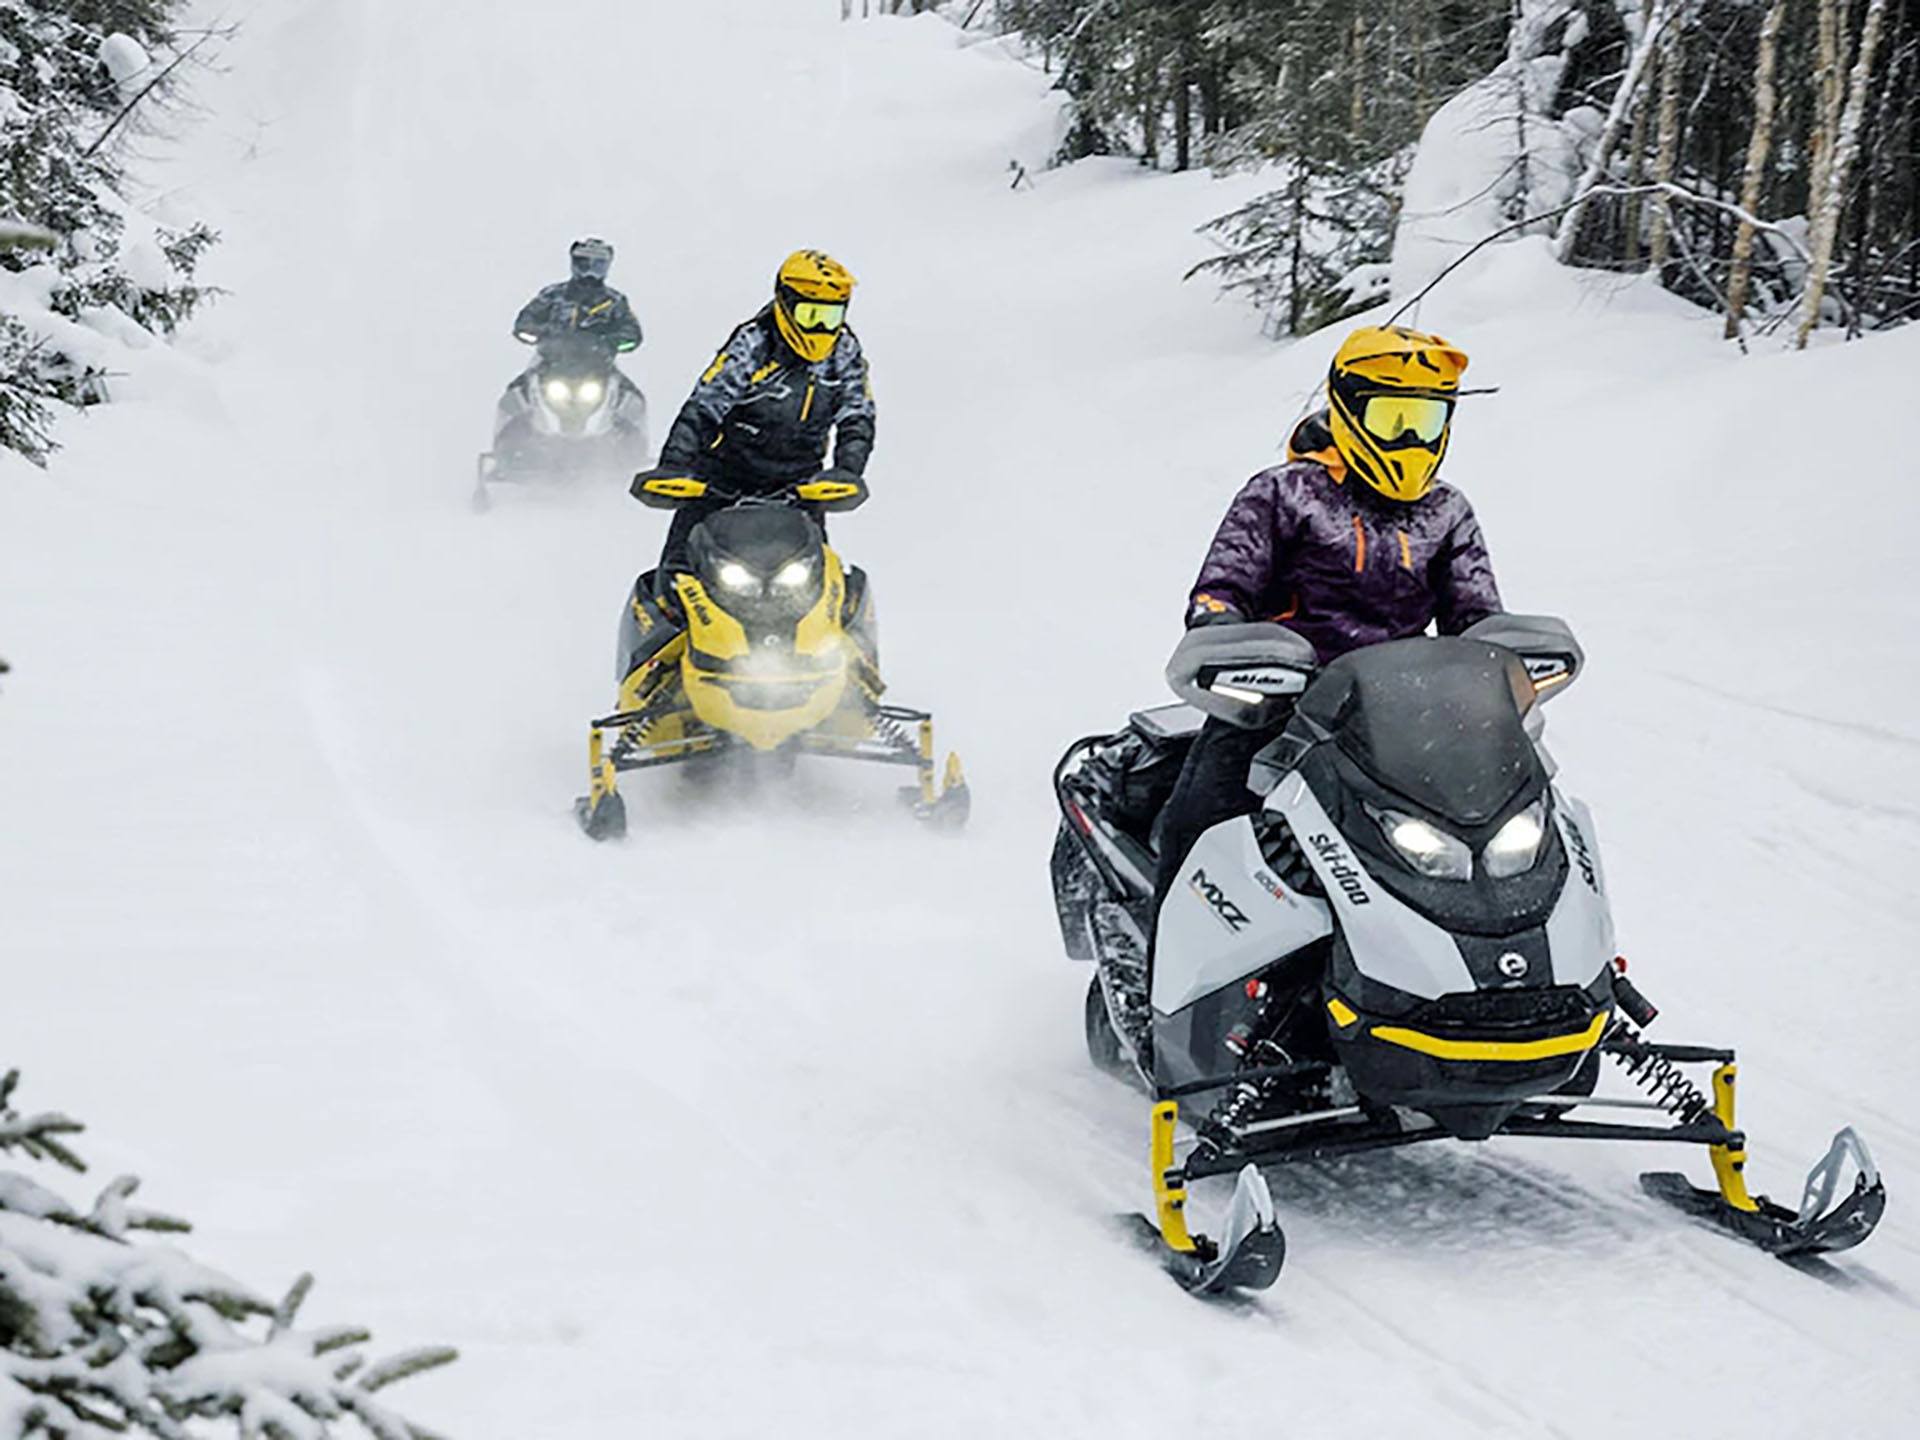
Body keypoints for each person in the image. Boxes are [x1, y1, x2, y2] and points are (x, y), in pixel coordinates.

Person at [1152, 324, 1505, 917]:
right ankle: (1157, 977)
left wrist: (1502, 667)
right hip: (1278, 707)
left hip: (1401, 720)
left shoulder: (1446, 511)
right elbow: (1223, 586)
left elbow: (1476, 617)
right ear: (1347, 410)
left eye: (1427, 421)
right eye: (1395, 420)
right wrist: (1220, 629)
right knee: (1204, 823)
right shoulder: (1285, 494)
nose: (1412, 440)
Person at [633, 249, 874, 578]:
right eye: (810, 314)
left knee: (826, 585)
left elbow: (857, 415)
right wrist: (674, 465)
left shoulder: (844, 350)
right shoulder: (752, 343)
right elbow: (704, 406)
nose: (820, 327)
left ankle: (846, 630)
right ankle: (663, 624)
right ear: (785, 305)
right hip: (721, 485)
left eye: (829, 316)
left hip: (801, 491)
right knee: (677, 577)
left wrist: (847, 470)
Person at [513, 237, 642, 355]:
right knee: (524, 380)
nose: (590, 272)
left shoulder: (614, 301)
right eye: (584, 265)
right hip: (550, 362)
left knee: (621, 381)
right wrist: (545, 334)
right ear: (575, 264)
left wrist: (609, 342)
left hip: (598, 366)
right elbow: (525, 320)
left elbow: (632, 333)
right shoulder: (553, 295)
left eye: (597, 266)